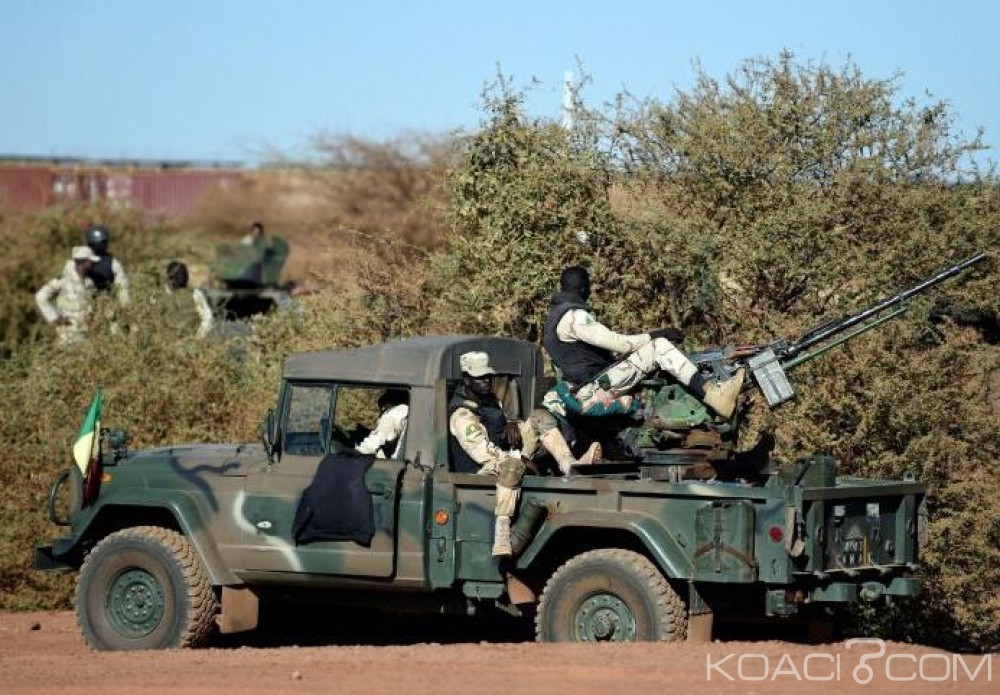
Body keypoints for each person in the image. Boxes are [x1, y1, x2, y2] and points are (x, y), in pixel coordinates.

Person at [543, 266, 744, 420]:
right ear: (584, 288)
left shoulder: (554, 317)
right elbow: (622, 344)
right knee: (659, 347)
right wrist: (657, 334)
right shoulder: (574, 317)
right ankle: (716, 396)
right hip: (593, 387)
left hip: (585, 386)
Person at [449, 351, 599, 557]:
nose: (486, 381)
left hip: (506, 456)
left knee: (539, 417)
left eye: (488, 376)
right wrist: (519, 459)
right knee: (513, 467)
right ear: (466, 379)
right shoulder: (461, 415)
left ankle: (570, 466)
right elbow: (484, 454)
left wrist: (513, 424)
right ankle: (502, 533)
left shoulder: (489, 400)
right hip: (482, 472)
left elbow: (498, 429)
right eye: (479, 378)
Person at [35, 246, 99, 346]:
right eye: (90, 261)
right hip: (68, 338)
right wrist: (55, 318)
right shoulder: (63, 280)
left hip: (86, 336)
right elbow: (40, 296)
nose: (93, 264)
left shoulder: (89, 282)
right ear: (82, 262)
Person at [165, 261, 216, 339]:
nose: (180, 278)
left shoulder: (194, 294)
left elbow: (207, 318)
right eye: (176, 276)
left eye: (181, 275)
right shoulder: (160, 295)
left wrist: (196, 339)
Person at [83, 225, 130, 307]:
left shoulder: (112, 263)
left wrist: (125, 306)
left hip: (104, 302)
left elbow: (122, 287)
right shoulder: (81, 261)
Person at [356, 389, 409, 459]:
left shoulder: (391, 414)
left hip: (397, 463)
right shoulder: (409, 411)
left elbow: (373, 444)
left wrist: (355, 452)